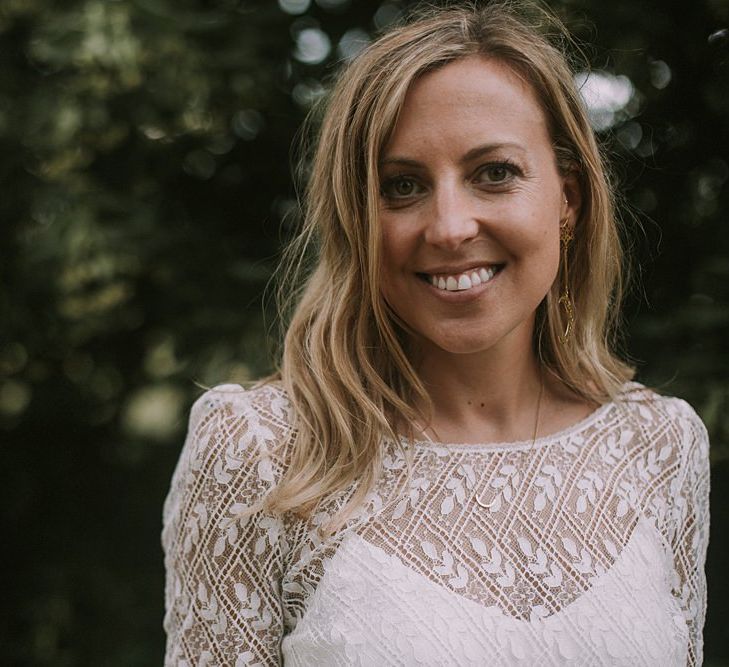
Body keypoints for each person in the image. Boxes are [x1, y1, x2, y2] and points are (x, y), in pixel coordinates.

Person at [161, 2, 710, 664]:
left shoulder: (660, 444)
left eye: (493, 173)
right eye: (401, 186)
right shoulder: (262, 449)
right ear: (357, 216)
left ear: (568, 198)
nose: (449, 226)